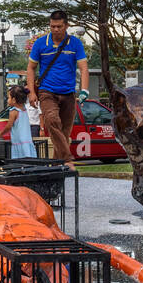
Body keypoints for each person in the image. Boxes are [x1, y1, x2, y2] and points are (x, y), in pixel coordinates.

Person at [27, 10, 89, 168]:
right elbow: (31, 68)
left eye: (59, 26)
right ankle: (67, 159)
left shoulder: (75, 43)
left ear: (66, 26)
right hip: (47, 91)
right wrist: (32, 92)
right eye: (52, 26)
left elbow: (83, 68)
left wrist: (85, 90)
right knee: (52, 120)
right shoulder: (41, 43)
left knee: (65, 131)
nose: (55, 29)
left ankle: (56, 166)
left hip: (68, 93)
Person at [0, 86, 35, 160]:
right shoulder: (24, 109)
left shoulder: (14, 111)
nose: (7, 100)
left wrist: (0, 133)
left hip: (19, 142)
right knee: (30, 162)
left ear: (14, 100)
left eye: (9, 97)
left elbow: (9, 126)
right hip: (27, 141)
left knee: (19, 163)